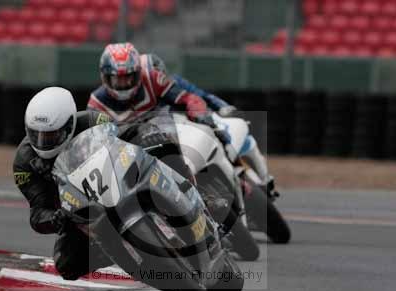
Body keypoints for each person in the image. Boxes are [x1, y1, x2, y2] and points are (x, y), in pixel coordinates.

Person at [87, 43, 232, 182]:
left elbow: (189, 98)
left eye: (128, 77)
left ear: (138, 73)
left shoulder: (152, 78)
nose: (124, 84)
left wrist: (200, 114)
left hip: (163, 135)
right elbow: (94, 143)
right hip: (127, 152)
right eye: (118, 79)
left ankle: (188, 181)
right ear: (105, 77)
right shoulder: (96, 103)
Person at [13, 86, 113, 280]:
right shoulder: (24, 163)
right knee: (67, 265)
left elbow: (128, 137)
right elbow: (37, 213)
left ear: (69, 126)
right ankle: (117, 253)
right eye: (36, 135)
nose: (42, 142)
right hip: (79, 212)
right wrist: (54, 218)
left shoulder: (94, 122)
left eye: (50, 136)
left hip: (112, 183)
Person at [146, 53, 275, 193]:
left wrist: (223, 106)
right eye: (151, 74)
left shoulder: (175, 83)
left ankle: (263, 178)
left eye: (157, 72)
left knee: (230, 135)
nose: (156, 77)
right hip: (176, 136)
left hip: (197, 121)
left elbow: (202, 95)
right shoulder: (142, 98)